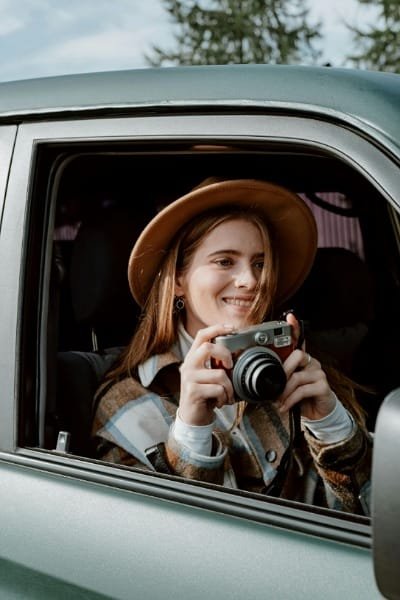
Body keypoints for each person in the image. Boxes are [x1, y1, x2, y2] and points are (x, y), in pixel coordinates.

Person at [92, 178, 371, 514]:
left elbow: (376, 522)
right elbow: (157, 548)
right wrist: (192, 432)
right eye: (225, 261)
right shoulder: (129, 403)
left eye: (260, 263)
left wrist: (331, 427)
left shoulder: (300, 371)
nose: (251, 281)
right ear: (178, 280)